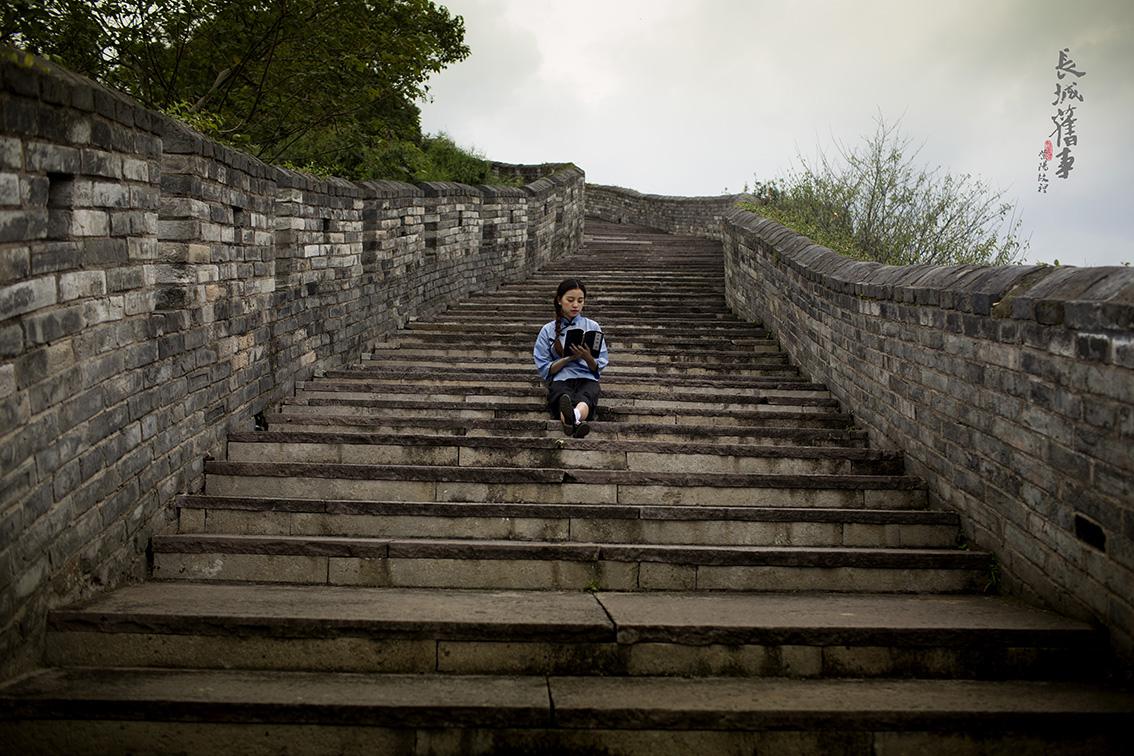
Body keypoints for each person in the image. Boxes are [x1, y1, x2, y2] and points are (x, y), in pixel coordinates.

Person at [532, 278, 609, 438]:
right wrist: (569, 358)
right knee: (562, 397)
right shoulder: (547, 330)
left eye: (580, 301)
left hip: (587, 377)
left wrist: (587, 356)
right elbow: (545, 367)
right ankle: (576, 419)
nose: (575, 305)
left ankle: (572, 418)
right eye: (570, 300)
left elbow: (599, 364)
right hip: (561, 378)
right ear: (559, 300)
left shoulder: (593, 326)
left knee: (586, 397)